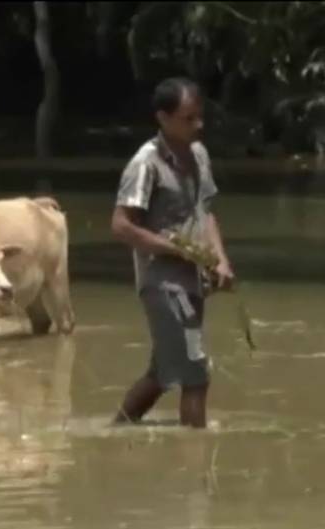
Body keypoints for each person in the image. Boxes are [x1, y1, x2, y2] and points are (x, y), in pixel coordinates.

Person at [110, 77, 235, 428]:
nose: (199, 125)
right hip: (162, 281)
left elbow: (204, 211)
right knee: (196, 372)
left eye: (200, 116)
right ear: (163, 119)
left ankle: (117, 432)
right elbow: (120, 226)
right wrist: (177, 250)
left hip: (193, 278)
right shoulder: (145, 164)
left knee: (164, 372)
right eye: (188, 118)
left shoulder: (199, 154)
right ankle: (196, 453)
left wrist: (221, 260)